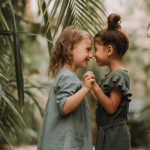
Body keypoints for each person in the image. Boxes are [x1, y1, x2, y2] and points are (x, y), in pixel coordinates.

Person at [37, 26, 94, 150]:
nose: (91, 55)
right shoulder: (67, 77)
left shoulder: (67, 76)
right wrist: (85, 89)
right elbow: (65, 107)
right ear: (70, 49)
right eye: (88, 49)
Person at [84, 13, 132, 150]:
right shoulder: (111, 76)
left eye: (96, 49)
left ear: (109, 50)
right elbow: (102, 101)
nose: (93, 54)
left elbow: (111, 107)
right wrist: (90, 87)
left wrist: (96, 88)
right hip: (106, 133)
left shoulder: (120, 76)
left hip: (115, 136)